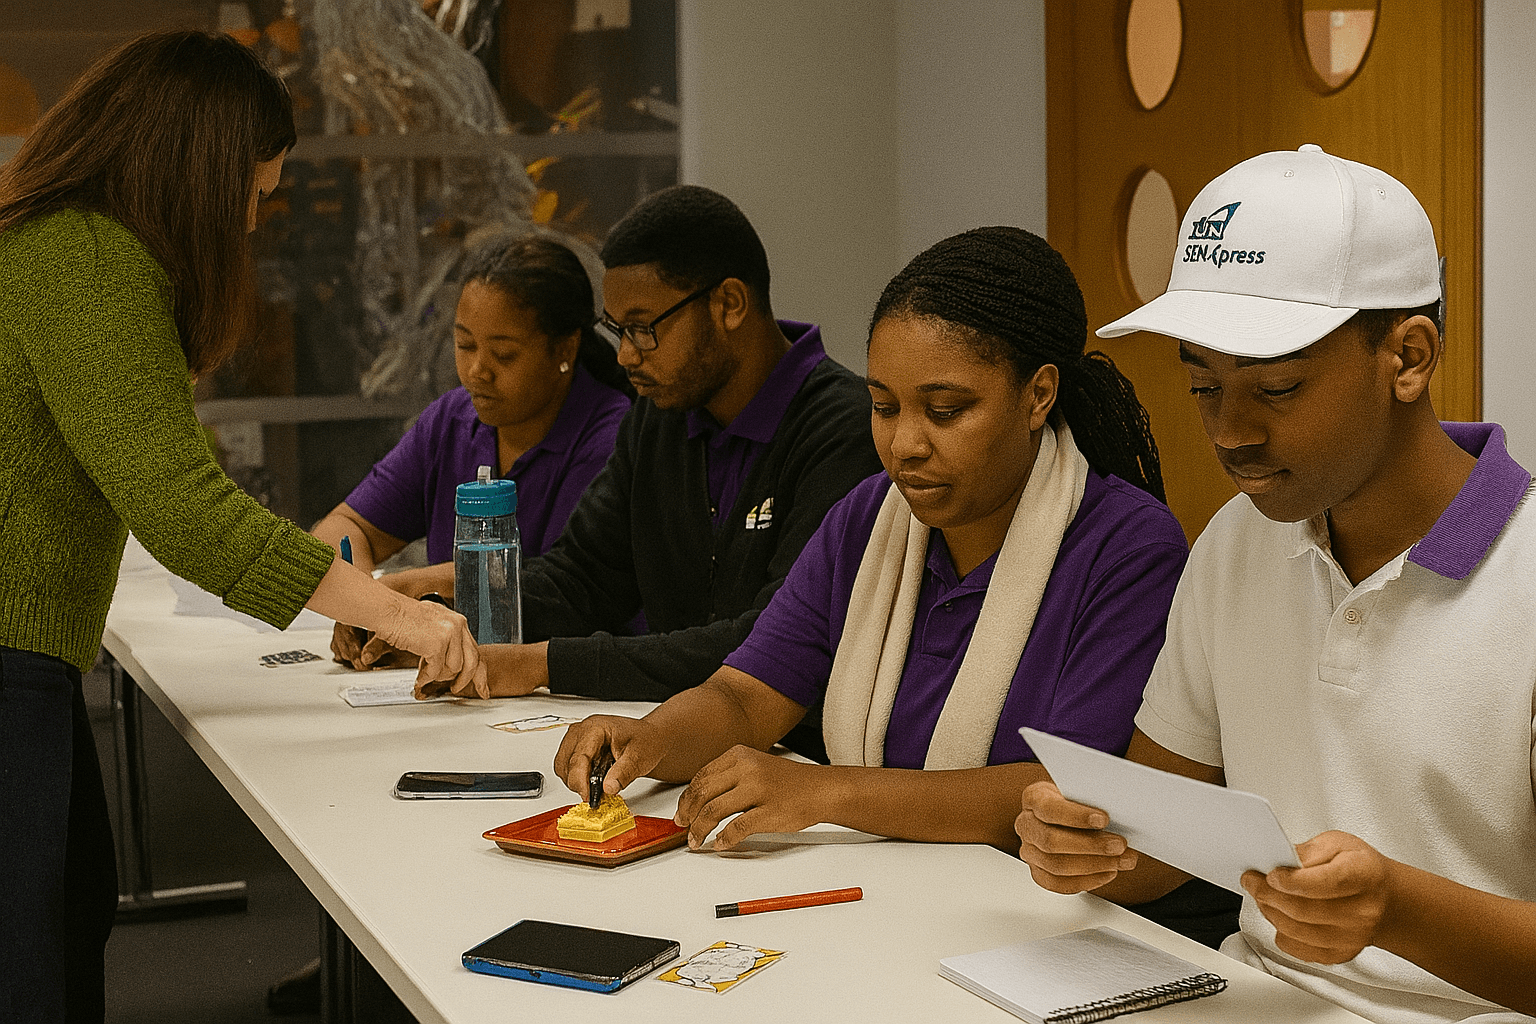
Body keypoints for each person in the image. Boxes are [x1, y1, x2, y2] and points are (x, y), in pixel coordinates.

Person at [0, 32, 482, 1024]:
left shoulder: (54, 241)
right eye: (255, 192)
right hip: (11, 661)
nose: (256, 218)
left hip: (31, 653)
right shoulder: (88, 259)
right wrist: (399, 615)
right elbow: (185, 509)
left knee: (67, 916)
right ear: (198, 171)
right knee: (33, 963)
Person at [1014, 146, 1536, 1022]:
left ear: (1407, 357)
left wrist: (1396, 909)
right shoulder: (1238, 542)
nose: (1231, 433)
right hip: (1250, 997)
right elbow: (1160, 845)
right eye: (1202, 386)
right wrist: (1086, 841)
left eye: (1279, 388)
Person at [552, 227, 1192, 869]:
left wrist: (827, 790)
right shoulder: (867, 518)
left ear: (1037, 395)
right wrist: (650, 738)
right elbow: (746, 698)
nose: (906, 445)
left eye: (944, 411)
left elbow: (1068, 795)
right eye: (884, 408)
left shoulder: (1127, 547)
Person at [396, 184, 885, 761]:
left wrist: (537, 663)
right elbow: (585, 578)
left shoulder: (846, 429)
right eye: (618, 330)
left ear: (729, 303)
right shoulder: (662, 417)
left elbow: (765, 641)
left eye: (644, 327)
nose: (627, 356)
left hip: (798, 759)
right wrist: (430, 611)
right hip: (670, 739)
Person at [312, 234, 632, 576]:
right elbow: (345, 528)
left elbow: (565, 587)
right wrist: (364, 600)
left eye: (503, 354)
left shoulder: (612, 439)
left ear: (565, 349)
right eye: (465, 345)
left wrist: (412, 587)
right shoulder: (451, 422)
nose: (478, 371)